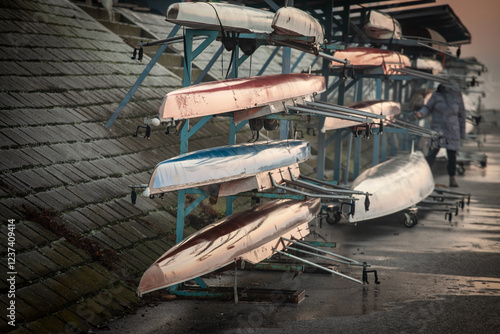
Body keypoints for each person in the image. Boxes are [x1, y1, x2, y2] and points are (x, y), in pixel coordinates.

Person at [416, 84, 466, 187]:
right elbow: (428, 107)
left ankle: (452, 178)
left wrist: (462, 133)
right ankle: (424, 176)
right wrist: (421, 114)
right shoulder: (437, 95)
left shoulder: (457, 96)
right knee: (432, 153)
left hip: (452, 130)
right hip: (438, 130)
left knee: (452, 156)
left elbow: (462, 114)